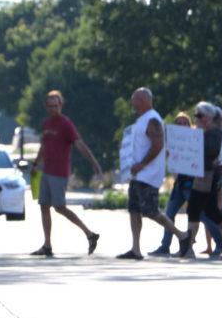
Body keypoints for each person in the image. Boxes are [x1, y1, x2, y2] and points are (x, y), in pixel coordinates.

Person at [116, 88, 191, 260]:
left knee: (150, 211)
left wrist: (142, 164)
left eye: (135, 100)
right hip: (137, 175)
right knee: (134, 210)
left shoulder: (152, 119)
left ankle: (183, 236)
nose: (132, 103)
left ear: (144, 100)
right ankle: (135, 249)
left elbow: (158, 144)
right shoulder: (141, 120)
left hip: (147, 175)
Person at [29, 90, 102, 258]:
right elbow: (43, 146)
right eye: (51, 106)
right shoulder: (46, 123)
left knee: (59, 207)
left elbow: (79, 144)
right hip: (46, 171)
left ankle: (89, 234)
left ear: (61, 105)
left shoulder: (66, 124)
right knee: (44, 206)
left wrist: (94, 163)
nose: (54, 108)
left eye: (57, 105)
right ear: (46, 107)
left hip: (59, 172)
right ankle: (47, 245)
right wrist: (35, 164)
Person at [149, 112, 222, 257]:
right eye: (179, 123)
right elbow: (168, 158)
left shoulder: (195, 139)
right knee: (169, 214)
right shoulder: (175, 140)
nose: (182, 125)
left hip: (192, 184)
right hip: (179, 185)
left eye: (185, 122)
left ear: (189, 124)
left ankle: (220, 243)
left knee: (203, 216)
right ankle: (165, 246)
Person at [180, 102, 222, 258]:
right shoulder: (206, 133)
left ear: (209, 118)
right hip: (202, 178)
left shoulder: (215, 134)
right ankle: (188, 248)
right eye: (196, 116)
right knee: (203, 211)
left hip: (208, 178)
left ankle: (188, 249)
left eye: (199, 116)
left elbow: (211, 155)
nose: (197, 119)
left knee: (204, 211)